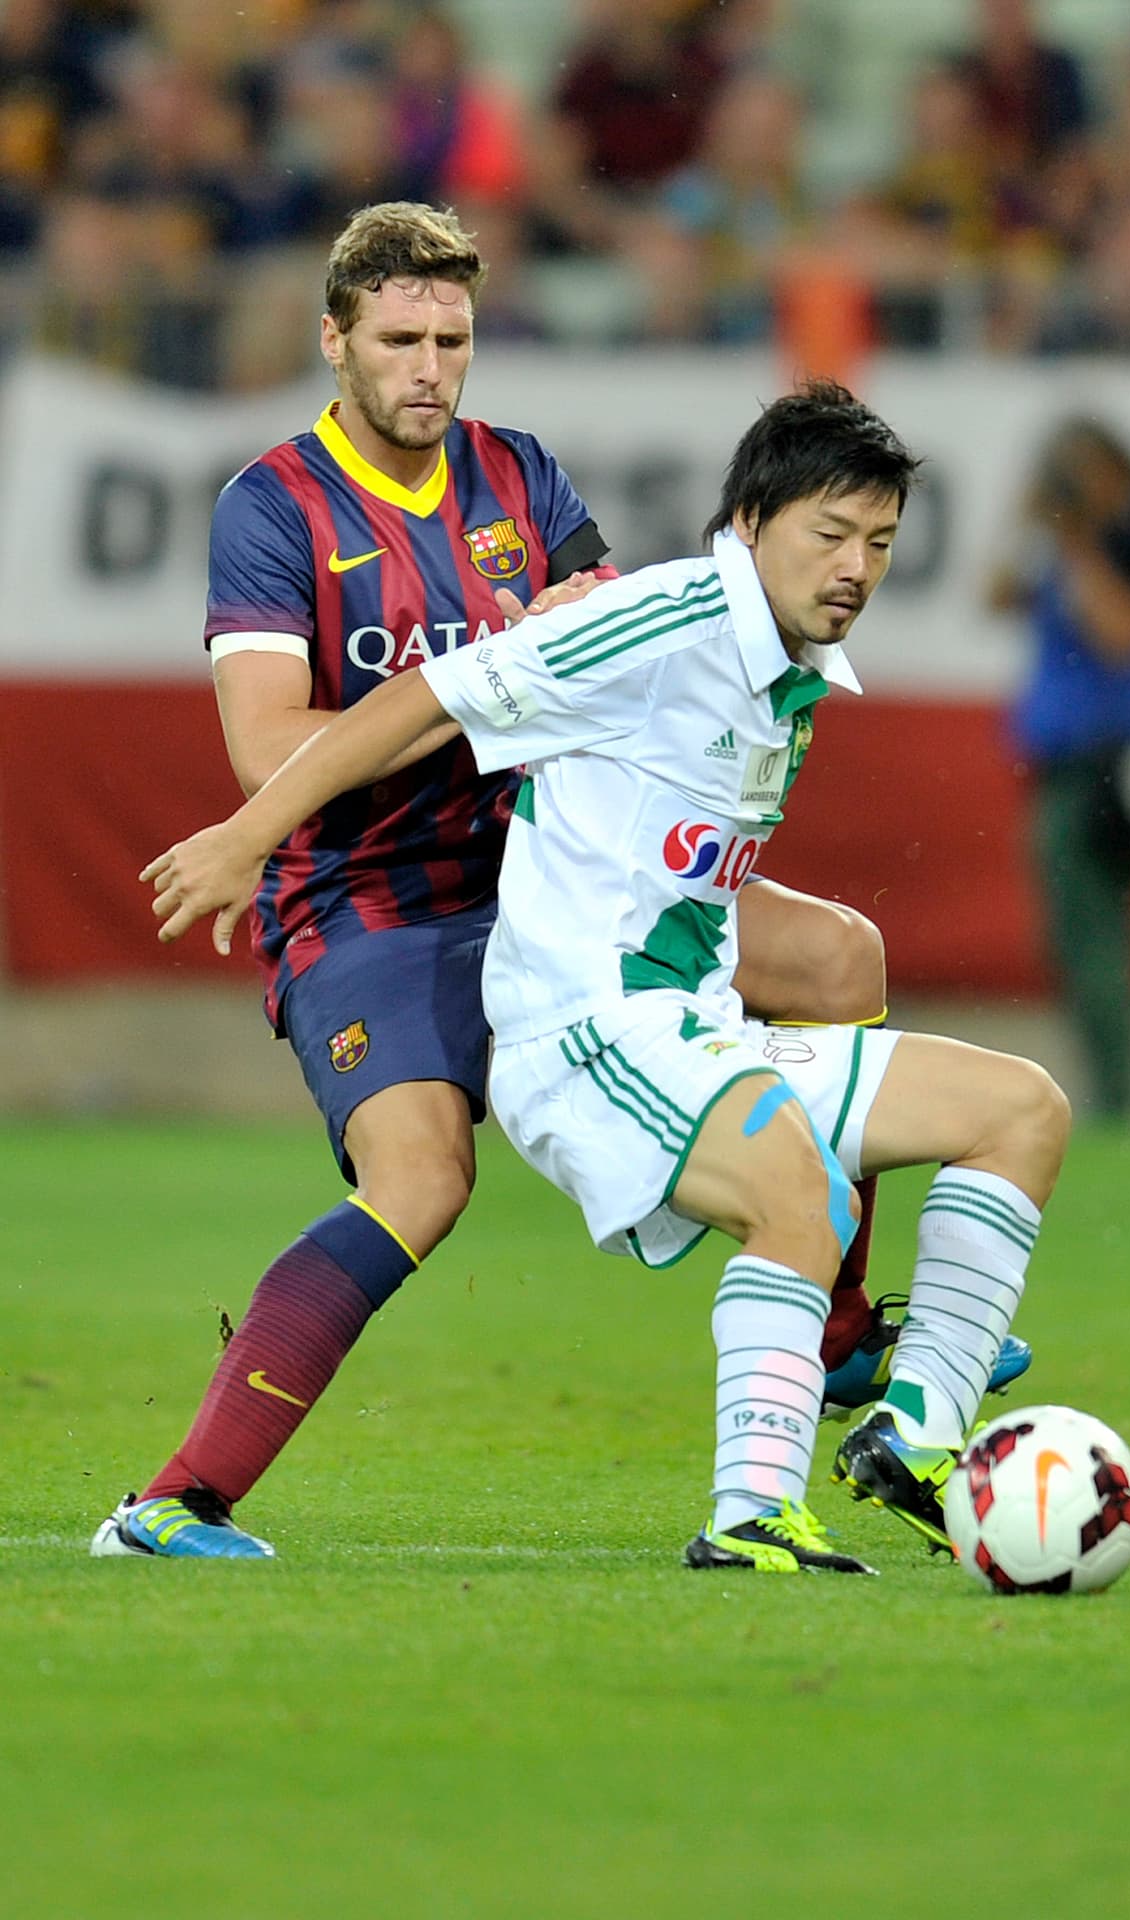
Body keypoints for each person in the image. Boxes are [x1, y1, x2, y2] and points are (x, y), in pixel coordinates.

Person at [89, 201, 965, 1562]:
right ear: (334, 341)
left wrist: (557, 651)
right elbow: (269, 745)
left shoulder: (518, 472)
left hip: (546, 870)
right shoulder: (274, 507)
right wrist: (484, 692)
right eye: (399, 341)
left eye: (451, 340)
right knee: (422, 1181)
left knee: (840, 956)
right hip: (367, 893)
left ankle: (841, 1333)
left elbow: (605, 641)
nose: (429, 369)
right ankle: (175, 1502)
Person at [989, 418, 1130, 1116]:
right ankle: (1110, 1092)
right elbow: (994, 594)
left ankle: (1116, 1098)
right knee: (1075, 937)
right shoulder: (1058, 550)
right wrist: (1029, 525)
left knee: (1099, 934)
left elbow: (1124, 637)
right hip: (1062, 767)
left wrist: (1077, 545)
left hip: (1113, 769)